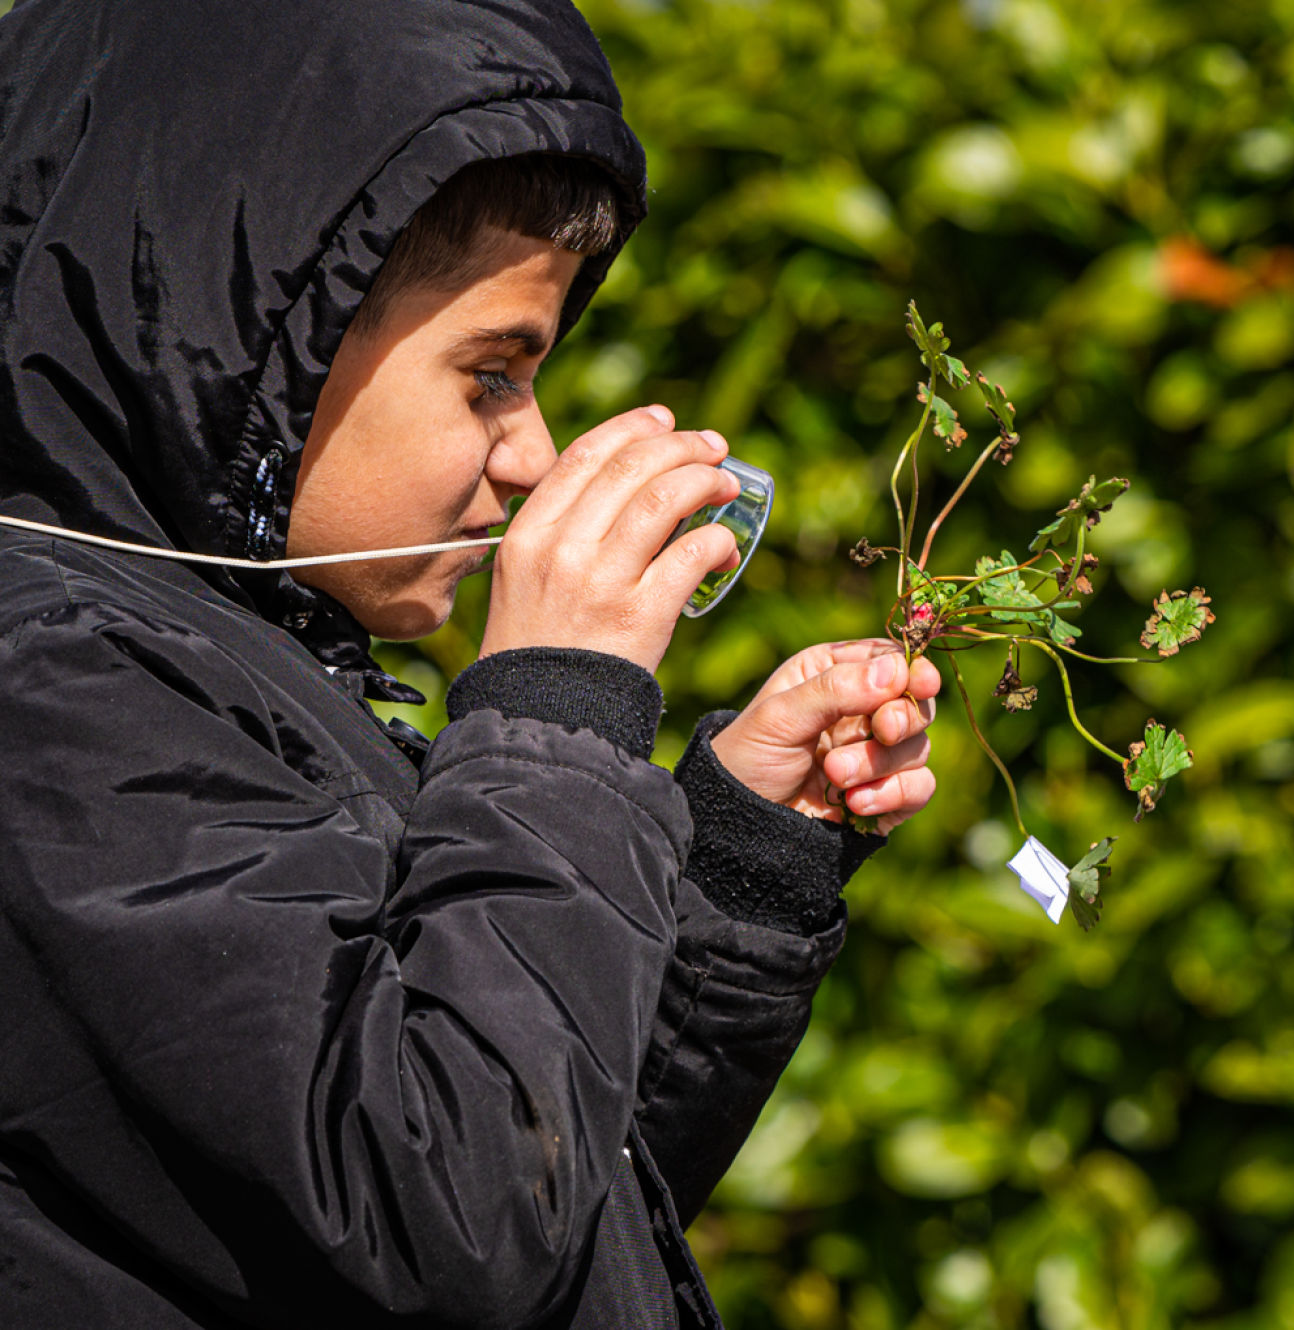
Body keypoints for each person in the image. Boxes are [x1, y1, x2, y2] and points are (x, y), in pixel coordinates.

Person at [0, 1, 938, 1326]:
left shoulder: (239, 659)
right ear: (262, 335)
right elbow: (452, 1216)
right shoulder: (45, 698)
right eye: (491, 375)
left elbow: (564, 1207)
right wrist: (558, 709)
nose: (534, 453)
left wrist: (735, 861)